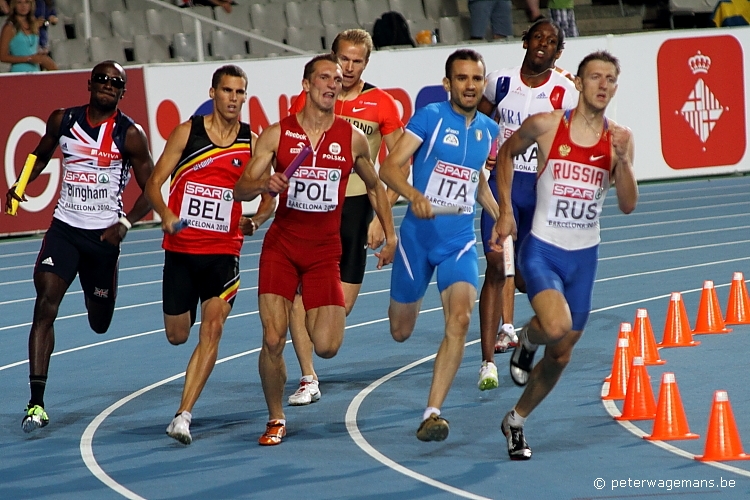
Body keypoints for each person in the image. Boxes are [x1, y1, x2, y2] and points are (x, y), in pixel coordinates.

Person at [233, 53, 397, 446]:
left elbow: (375, 187)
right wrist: (264, 186)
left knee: (326, 346)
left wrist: (390, 235)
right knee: (273, 339)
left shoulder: (351, 138)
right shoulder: (277, 134)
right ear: (306, 85)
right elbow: (240, 187)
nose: (332, 84)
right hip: (283, 246)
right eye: (324, 77)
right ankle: (275, 418)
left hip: (326, 251)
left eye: (337, 80)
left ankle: (303, 308)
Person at [490, 50, 638, 460]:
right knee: (555, 326)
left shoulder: (620, 139)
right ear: (579, 81)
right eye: (595, 77)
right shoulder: (547, 125)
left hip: (584, 258)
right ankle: (526, 337)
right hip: (543, 248)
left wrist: (623, 163)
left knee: (562, 351)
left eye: (610, 78)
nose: (603, 84)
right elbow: (505, 153)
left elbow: (627, 204)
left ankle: (516, 421)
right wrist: (504, 209)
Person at [4, 61, 154, 433]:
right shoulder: (63, 120)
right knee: (45, 302)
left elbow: (152, 191)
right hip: (65, 230)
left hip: (103, 239)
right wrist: (21, 186)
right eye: (102, 79)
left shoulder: (130, 135)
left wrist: (125, 223)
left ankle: (98, 292)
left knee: (99, 321)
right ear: (89, 83)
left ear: (123, 92)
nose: (107, 85)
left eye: (115, 82)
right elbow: (39, 154)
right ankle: (36, 402)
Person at [144, 65, 276, 445]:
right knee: (177, 335)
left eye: (240, 92)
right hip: (182, 251)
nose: (234, 99)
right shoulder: (188, 132)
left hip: (224, 251)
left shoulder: (252, 141)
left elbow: (268, 191)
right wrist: (167, 214)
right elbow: (154, 183)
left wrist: (257, 220)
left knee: (213, 328)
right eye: (228, 91)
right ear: (214, 93)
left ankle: (183, 415)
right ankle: (183, 408)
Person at [379, 49, 500, 442]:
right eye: (461, 78)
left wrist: (499, 214)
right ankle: (406, 300)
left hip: (459, 241)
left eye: (476, 79)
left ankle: (432, 413)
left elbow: (476, 178)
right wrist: (413, 194)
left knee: (460, 320)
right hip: (417, 239)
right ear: (448, 83)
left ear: (483, 84)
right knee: (400, 330)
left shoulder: (488, 129)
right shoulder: (429, 117)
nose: (469, 85)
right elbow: (388, 167)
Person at [285, 29, 407, 406]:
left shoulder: (382, 104)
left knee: (337, 311)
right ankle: (307, 376)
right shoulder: (312, 99)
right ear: (333, 58)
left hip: (356, 213)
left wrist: (381, 217)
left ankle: (316, 354)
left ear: (366, 63)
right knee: (299, 296)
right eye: (343, 60)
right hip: (314, 212)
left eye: (357, 61)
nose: (349, 68)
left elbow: (399, 164)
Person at [475, 18, 578, 392]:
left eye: (551, 41)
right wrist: (482, 155)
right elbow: (476, 121)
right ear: (525, 42)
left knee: (523, 276)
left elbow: (574, 138)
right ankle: (487, 362)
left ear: (558, 52)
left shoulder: (565, 91)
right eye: (538, 37)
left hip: (538, 191)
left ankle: (526, 330)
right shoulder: (500, 82)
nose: (543, 44)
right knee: (493, 265)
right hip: (502, 185)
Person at [0, 0, 56, 72]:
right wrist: (28, 59)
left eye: (26, 2)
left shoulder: (34, 25)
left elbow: (31, 49)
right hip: (19, 72)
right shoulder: (9, 27)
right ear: (14, 5)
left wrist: (40, 56)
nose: (23, 6)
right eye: (19, 2)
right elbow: (3, 57)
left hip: (35, 71)